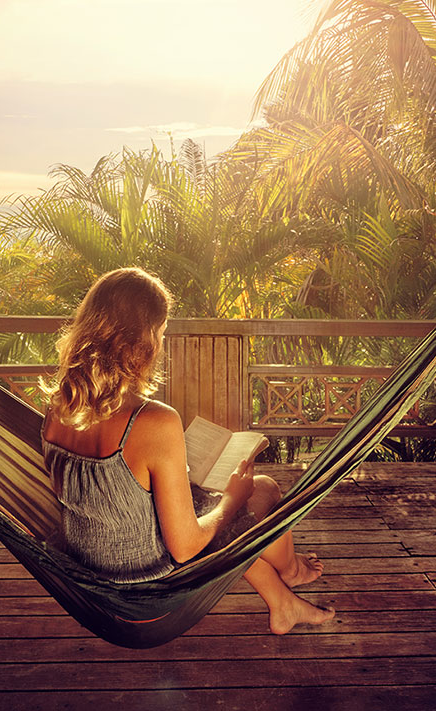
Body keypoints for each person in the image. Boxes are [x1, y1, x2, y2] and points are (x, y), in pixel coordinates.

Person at [41, 267, 335, 634]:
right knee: (261, 491)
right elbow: (185, 548)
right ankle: (289, 571)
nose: (161, 345)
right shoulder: (152, 420)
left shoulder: (60, 407)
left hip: (88, 579)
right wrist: (231, 498)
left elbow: (100, 493)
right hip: (146, 596)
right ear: (141, 340)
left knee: (206, 500)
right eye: (161, 334)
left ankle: (282, 599)